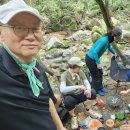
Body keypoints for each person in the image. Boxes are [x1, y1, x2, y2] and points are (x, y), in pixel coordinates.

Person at [0, 0, 67, 130]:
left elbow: (46, 99)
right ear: (1, 33)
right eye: (19, 28)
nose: (31, 36)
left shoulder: (37, 69)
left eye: (35, 28)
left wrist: (60, 127)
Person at [60, 57, 101, 129]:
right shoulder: (64, 75)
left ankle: (87, 109)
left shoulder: (80, 72)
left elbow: (86, 82)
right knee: (68, 101)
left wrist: (88, 89)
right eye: (79, 66)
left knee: (93, 92)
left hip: (81, 94)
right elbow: (62, 90)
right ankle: (73, 116)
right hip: (71, 95)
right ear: (73, 67)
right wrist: (77, 87)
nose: (80, 67)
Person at [85, 28, 122, 96]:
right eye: (116, 37)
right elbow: (95, 53)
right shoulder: (104, 40)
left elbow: (109, 48)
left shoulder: (107, 40)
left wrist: (114, 53)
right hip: (90, 59)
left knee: (100, 72)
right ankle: (96, 90)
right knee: (95, 75)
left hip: (94, 59)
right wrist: (98, 63)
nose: (116, 39)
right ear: (113, 35)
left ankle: (100, 87)